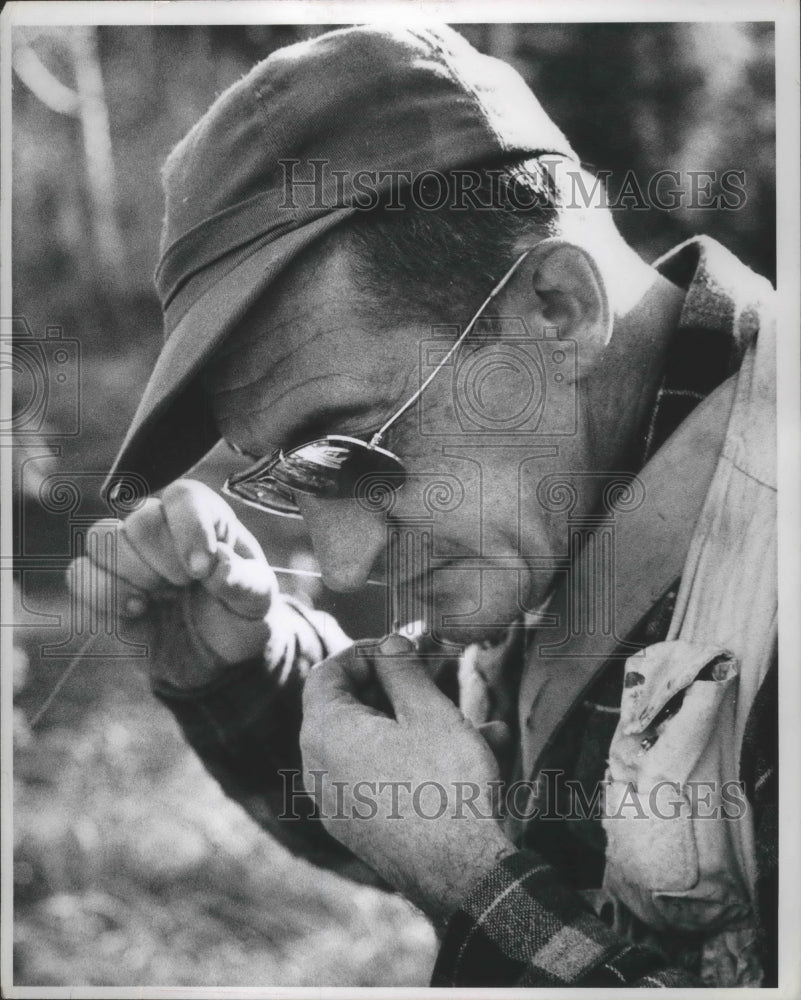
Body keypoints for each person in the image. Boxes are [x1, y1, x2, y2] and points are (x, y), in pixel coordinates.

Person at [70, 24, 777, 987]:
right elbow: (413, 801)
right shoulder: (567, 496)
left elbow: (465, 853)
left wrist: (477, 883)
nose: (346, 561)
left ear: (555, 309)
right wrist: (244, 672)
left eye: (350, 447)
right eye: (295, 472)